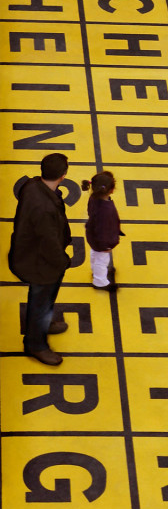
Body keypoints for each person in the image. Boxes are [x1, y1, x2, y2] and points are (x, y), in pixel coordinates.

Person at [9, 153, 72, 365]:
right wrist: (63, 261)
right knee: (41, 300)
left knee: (43, 300)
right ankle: (36, 344)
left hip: (30, 254)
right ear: (63, 176)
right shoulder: (44, 208)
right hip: (40, 263)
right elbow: (49, 244)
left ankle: (43, 323)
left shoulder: (32, 185)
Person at [82, 171, 123, 292]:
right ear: (112, 190)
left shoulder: (93, 199)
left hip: (93, 235)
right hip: (102, 241)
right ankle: (100, 282)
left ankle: (96, 271)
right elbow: (103, 230)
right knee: (102, 258)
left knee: (95, 254)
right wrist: (106, 245)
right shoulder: (106, 210)